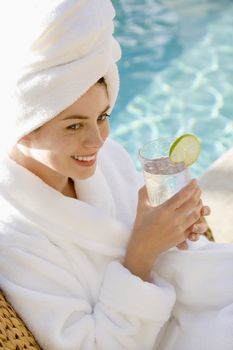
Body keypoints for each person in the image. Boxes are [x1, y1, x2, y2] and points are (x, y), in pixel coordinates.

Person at [0, 1, 233, 349]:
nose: (97, 140)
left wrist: (177, 230)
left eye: (103, 116)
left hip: (201, 299)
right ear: (23, 128)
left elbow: (159, 244)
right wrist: (142, 252)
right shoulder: (14, 237)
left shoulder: (103, 158)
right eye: (74, 125)